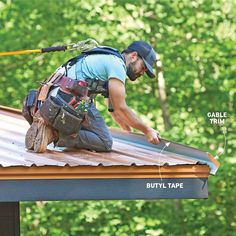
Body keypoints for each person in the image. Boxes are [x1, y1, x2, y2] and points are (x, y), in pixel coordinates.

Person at [24, 40, 160, 153]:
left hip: (50, 99)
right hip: (68, 100)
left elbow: (114, 110)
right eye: (143, 67)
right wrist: (147, 130)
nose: (142, 73)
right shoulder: (117, 65)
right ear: (134, 56)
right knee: (104, 142)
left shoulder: (106, 57)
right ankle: (53, 134)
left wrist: (128, 132)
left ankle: (45, 127)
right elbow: (121, 108)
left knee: (91, 123)